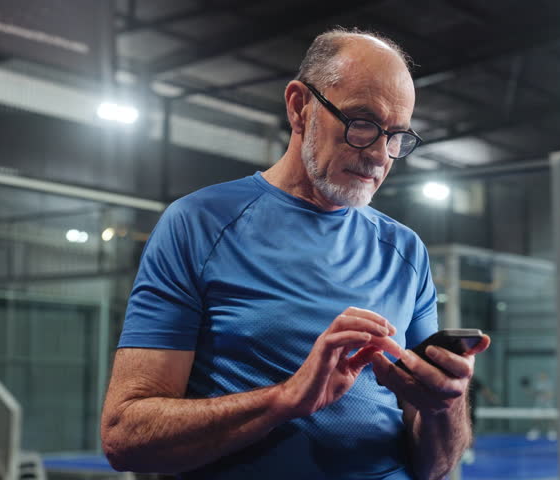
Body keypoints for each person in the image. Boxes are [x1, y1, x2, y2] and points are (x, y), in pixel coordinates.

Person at [100, 28, 479, 480]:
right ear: (300, 107)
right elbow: (125, 437)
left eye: (396, 136)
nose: (380, 155)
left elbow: (436, 467)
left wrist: (446, 407)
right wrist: (286, 399)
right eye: (362, 123)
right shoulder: (199, 224)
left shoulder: (405, 251)